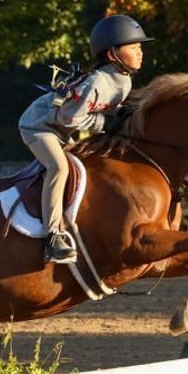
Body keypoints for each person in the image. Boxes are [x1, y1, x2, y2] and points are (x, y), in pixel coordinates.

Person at [18, 14, 153, 264]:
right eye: (134, 47)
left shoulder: (123, 80)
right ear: (113, 54)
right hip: (39, 127)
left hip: (62, 129)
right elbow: (69, 118)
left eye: (140, 47)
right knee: (58, 167)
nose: (140, 52)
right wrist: (105, 122)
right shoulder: (96, 82)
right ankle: (54, 237)